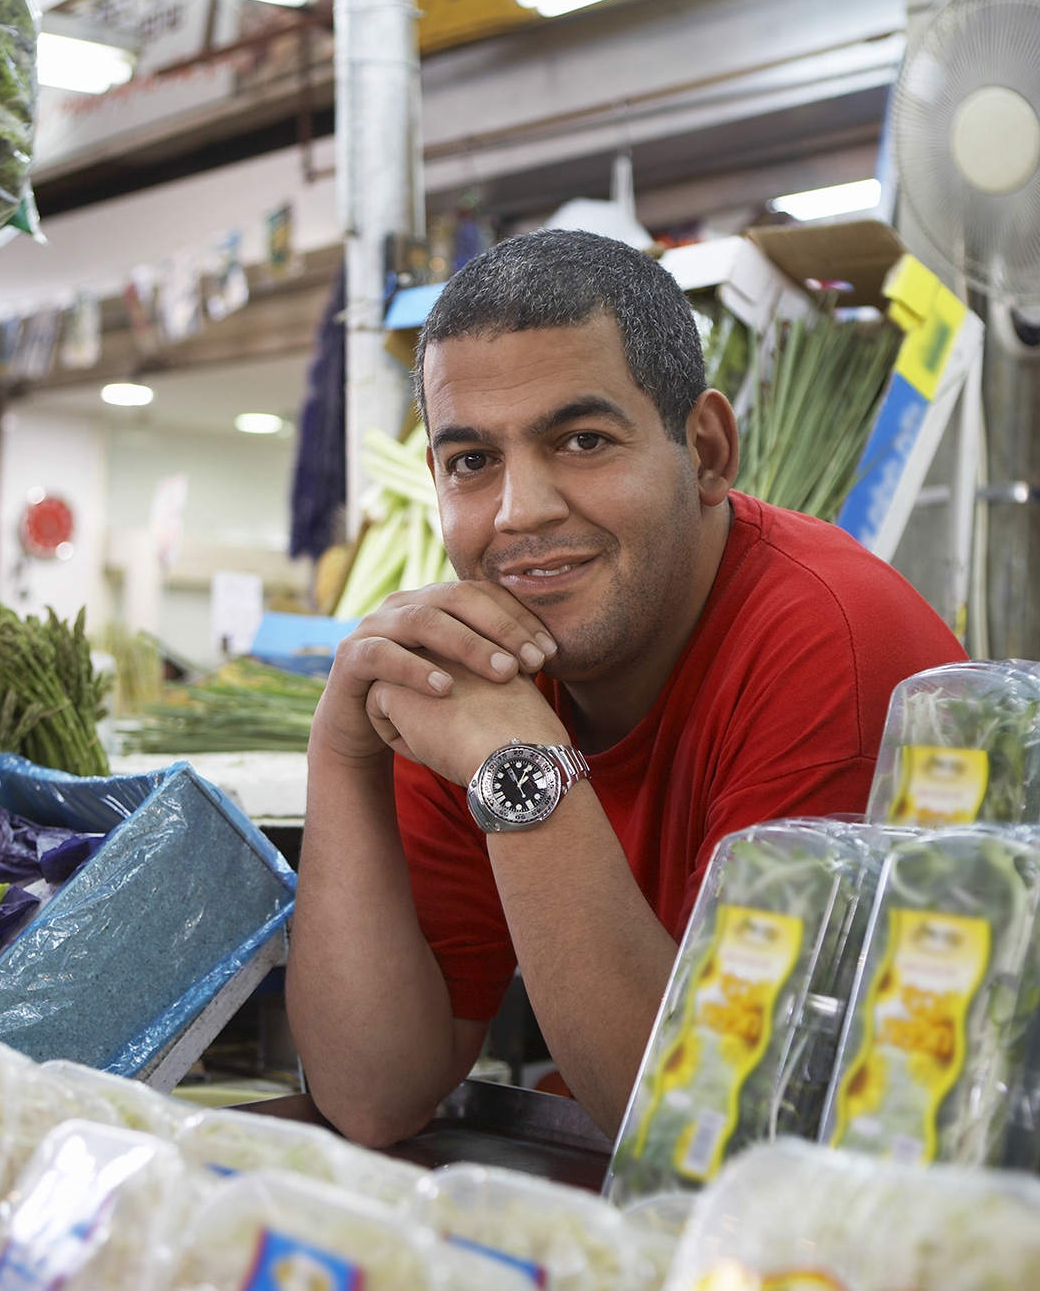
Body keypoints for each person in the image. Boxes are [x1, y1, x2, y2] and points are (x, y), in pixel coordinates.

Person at [288, 228, 964, 1147]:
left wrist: (524, 772)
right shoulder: (479, 664)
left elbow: (699, 1122)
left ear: (707, 452)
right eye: (471, 461)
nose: (522, 512)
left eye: (582, 440)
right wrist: (342, 752)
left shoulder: (833, 647)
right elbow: (373, 1091)